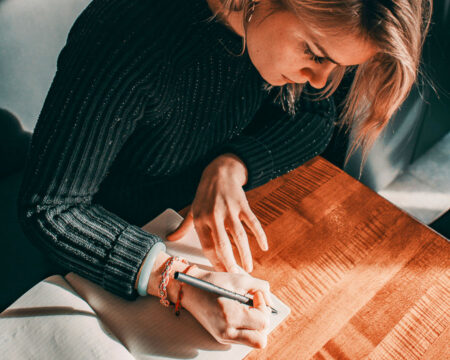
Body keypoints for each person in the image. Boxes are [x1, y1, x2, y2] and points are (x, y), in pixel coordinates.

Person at [17, 0, 432, 349]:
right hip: (94, 250)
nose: (321, 80)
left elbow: (315, 116)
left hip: (182, 231)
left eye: (338, 66)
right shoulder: (128, 35)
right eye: (316, 54)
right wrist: (177, 279)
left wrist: (232, 165)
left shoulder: (274, 32)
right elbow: (51, 209)